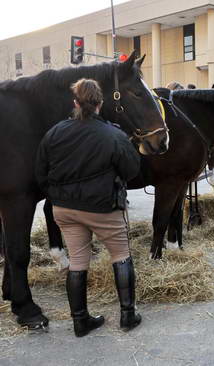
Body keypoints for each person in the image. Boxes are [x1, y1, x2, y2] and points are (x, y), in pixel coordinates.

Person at [35, 79, 142, 337]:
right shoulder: (113, 134)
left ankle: (80, 321)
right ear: (100, 104)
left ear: (75, 103)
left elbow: (40, 174)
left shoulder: (54, 133)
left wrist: (59, 197)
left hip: (65, 210)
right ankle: (127, 316)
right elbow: (132, 170)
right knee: (121, 255)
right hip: (102, 208)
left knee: (78, 261)